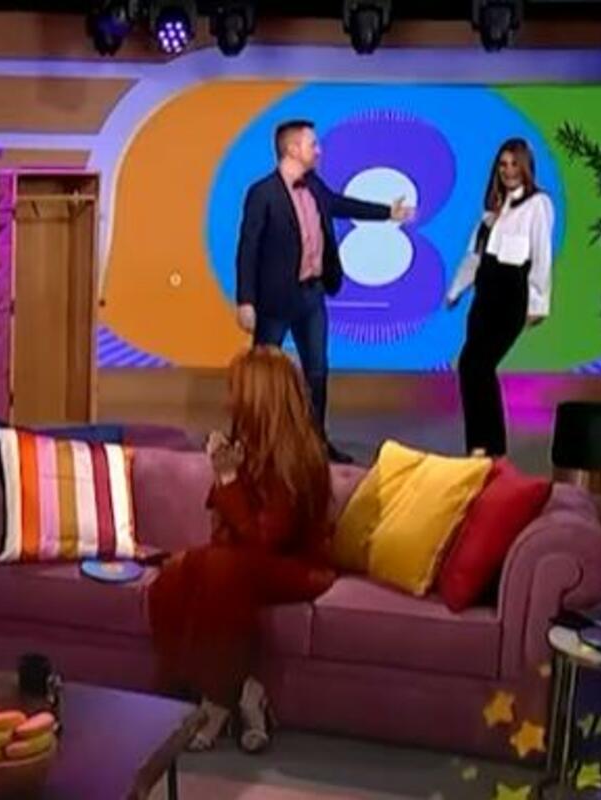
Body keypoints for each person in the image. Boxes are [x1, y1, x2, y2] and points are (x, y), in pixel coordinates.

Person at [147, 346, 337, 754]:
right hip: (246, 560)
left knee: (220, 568)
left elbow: (265, 540)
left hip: (298, 566)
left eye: (234, 389)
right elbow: (226, 532)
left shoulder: (297, 457)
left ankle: (217, 701)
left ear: (257, 398)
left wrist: (228, 479)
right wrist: (227, 476)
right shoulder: (243, 445)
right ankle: (234, 689)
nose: (227, 400)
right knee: (175, 574)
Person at [235, 119, 413, 464]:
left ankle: (315, 443)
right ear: (292, 149)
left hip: (312, 296)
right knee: (262, 377)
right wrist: (246, 300)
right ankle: (250, 443)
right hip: (274, 300)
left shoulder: (314, 186)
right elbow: (248, 249)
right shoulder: (262, 193)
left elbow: (342, 205)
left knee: (317, 372)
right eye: (312, 144)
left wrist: (388, 213)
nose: (318, 150)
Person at [447, 138, 555, 457]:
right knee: (470, 366)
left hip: (510, 297)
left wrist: (537, 303)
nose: (508, 171)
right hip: (484, 298)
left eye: (514, 164)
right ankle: (478, 447)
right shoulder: (491, 212)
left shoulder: (538, 205)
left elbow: (542, 257)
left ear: (526, 167)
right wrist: (455, 291)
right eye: (503, 165)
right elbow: (474, 258)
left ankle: (492, 448)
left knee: (478, 364)